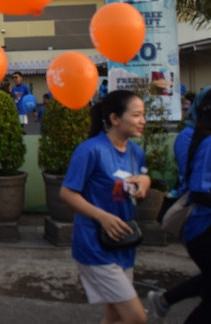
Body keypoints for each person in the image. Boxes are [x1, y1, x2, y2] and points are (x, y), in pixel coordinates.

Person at [60, 90, 151, 324]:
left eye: (144, 115)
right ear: (114, 118)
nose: (143, 121)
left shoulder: (136, 152)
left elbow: (138, 182)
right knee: (136, 318)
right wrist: (102, 217)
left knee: (114, 316)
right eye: (137, 114)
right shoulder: (90, 150)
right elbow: (67, 192)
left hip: (124, 243)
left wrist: (145, 182)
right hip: (94, 244)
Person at [148, 86, 209, 319]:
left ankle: (164, 300)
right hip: (199, 220)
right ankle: (164, 300)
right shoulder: (194, 137)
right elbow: (198, 186)